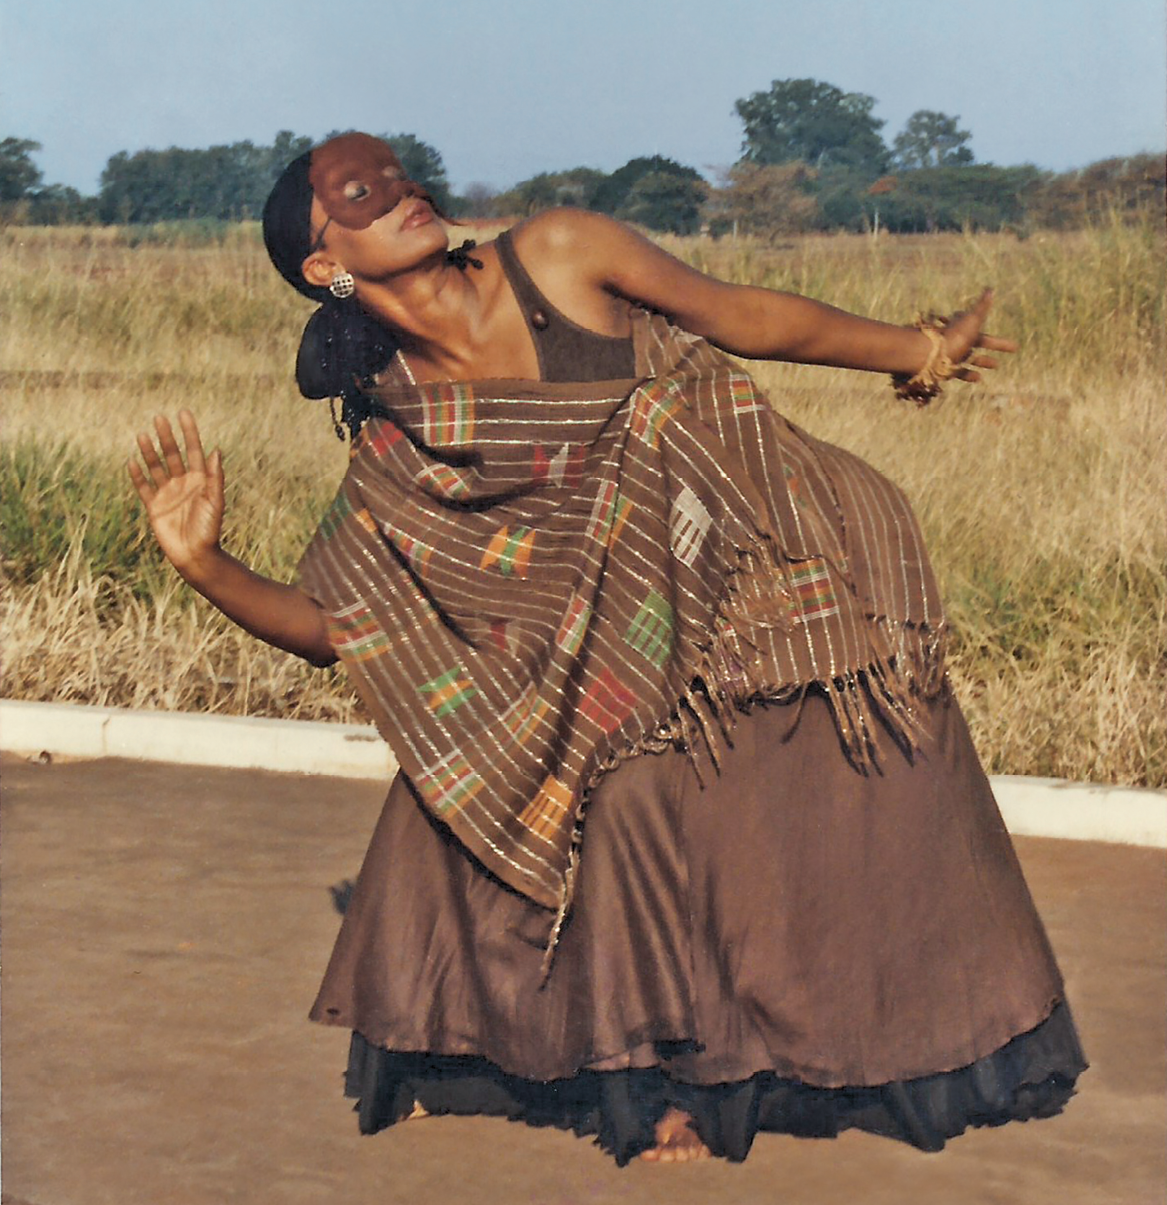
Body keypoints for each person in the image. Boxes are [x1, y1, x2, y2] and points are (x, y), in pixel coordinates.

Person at [129, 132, 1086, 1165]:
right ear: (328, 266)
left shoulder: (560, 250)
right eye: (361, 195)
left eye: (399, 174)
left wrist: (921, 348)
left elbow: (743, 315)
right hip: (626, 629)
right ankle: (637, 1072)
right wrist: (203, 563)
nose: (402, 194)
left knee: (784, 793)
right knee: (494, 765)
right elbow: (341, 626)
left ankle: (827, 1045)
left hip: (763, 542)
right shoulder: (405, 426)